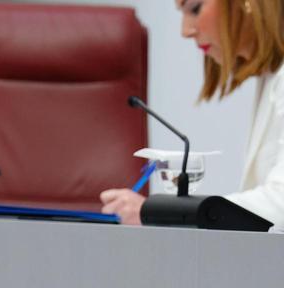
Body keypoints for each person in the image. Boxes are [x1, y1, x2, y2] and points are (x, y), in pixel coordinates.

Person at [101, 0, 284, 225]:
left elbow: (281, 204)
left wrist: (158, 213)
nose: (185, 31)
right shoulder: (271, 77)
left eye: (195, 8)